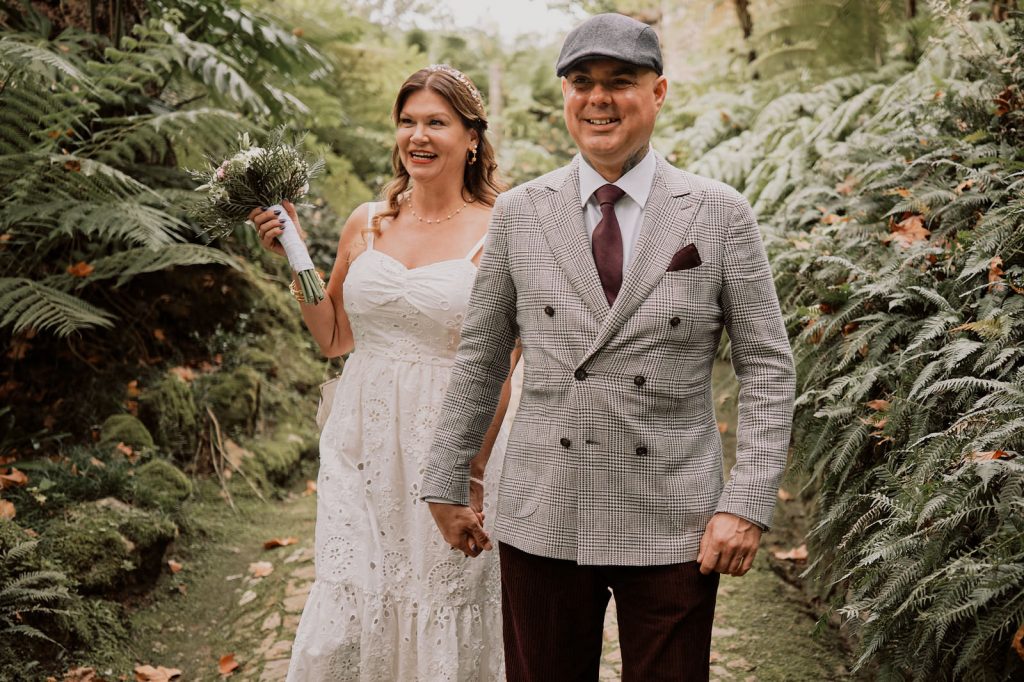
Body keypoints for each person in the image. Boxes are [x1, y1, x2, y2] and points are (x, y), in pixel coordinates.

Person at [422, 13, 796, 682]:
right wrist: (447, 477)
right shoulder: (521, 211)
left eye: (620, 81)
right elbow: (481, 357)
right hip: (543, 508)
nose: (598, 99)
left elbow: (766, 364)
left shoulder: (717, 212)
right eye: (581, 82)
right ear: (565, 95)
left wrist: (745, 502)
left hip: (674, 512)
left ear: (658, 92)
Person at [250, 64, 511, 681]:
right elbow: (334, 337)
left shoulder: (502, 225)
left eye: (436, 123)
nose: (418, 136)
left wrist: (469, 469)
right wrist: (292, 253)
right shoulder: (367, 220)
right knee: (350, 595)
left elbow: (507, 359)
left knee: (446, 595)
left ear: (471, 137)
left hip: (450, 437)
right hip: (361, 440)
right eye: (407, 122)